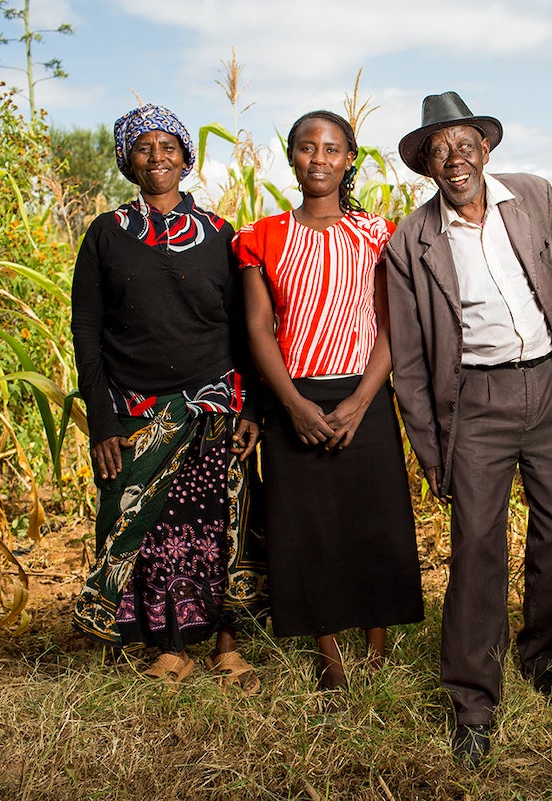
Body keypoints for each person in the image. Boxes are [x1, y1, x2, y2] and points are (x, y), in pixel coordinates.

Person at [385, 91, 552, 767]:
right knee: (476, 546)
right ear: (427, 166)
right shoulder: (412, 240)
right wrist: (429, 445)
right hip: (476, 398)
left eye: (464, 145)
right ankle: (473, 700)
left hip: (551, 385)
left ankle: (546, 658)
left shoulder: (533, 196)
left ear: (486, 150)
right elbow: (408, 361)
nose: (454, 159)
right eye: (439, 151)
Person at [71, 104, 266, 691]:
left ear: (186, 156)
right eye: (142, 147)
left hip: (215, 404)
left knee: (221, 526)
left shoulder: (221, 234)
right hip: (136, 410)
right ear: (126, 161)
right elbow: (86, 329)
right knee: (153, 528)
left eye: (168, 146)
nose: (157, 157)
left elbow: (245, 328)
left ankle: (229, 646)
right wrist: (102, 422)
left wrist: (253, 406)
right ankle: (170, 645)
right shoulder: (106, 232)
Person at [231, 110, 423, 695]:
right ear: (291, 158)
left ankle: (375, 646)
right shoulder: (259, 237)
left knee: (376, 521)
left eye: (332, 148)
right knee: (306, 527)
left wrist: (364, 399)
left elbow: (392, 325)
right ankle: (329, 655)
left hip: (363, 391)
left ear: (349, 160)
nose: (320, 158)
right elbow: (258, 328)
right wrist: (288, 406)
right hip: (294, 395)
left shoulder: (378, 234)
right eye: (308, 148)